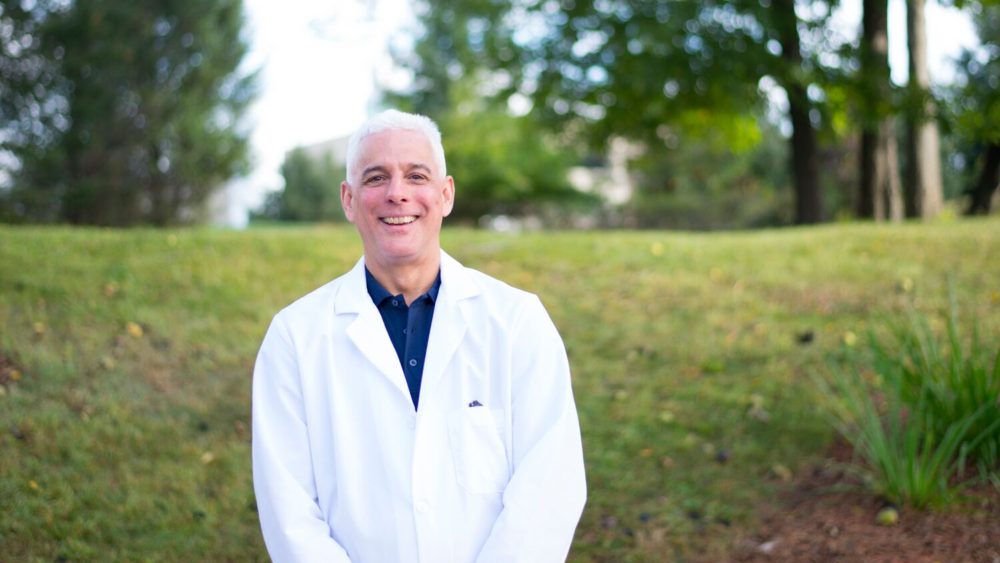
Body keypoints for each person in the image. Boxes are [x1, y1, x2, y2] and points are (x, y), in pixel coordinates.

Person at [251, 109, 587, 562]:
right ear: (348, 200)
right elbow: (289, 513)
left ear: (445, 194)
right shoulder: (295, 337)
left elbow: (550, 487)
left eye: (416, 176)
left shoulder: (517, 322)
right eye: (376, 178)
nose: (397, 194)